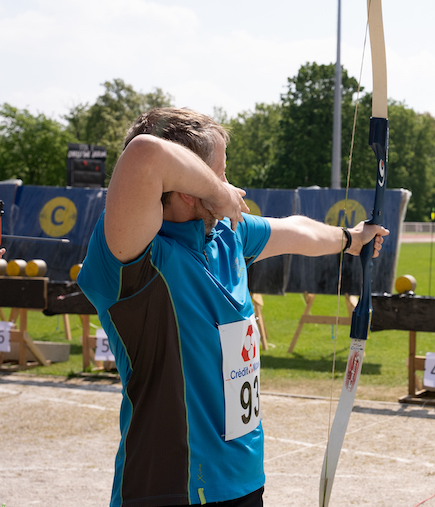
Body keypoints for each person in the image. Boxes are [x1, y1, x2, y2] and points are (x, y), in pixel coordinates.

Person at [78, 107, 388, 507]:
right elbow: (144, 154)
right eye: (220, 173)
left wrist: (350, 238)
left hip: (243, 481)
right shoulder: (133, 258)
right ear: (190, 187)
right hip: (169, 488)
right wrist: (218, 191)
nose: (230, 185)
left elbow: (297, 230)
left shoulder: (227, 237)